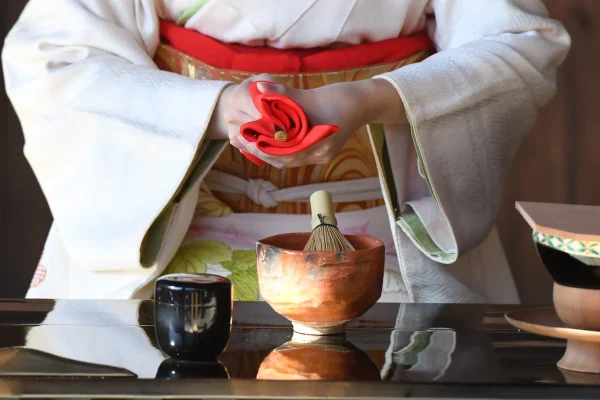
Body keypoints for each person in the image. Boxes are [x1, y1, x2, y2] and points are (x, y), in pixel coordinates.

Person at [2, 0, 570, 303]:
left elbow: (519, 44)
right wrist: (212, 109)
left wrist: (370, 99)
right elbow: (54, 59)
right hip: (171, 224)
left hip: (386, 237)